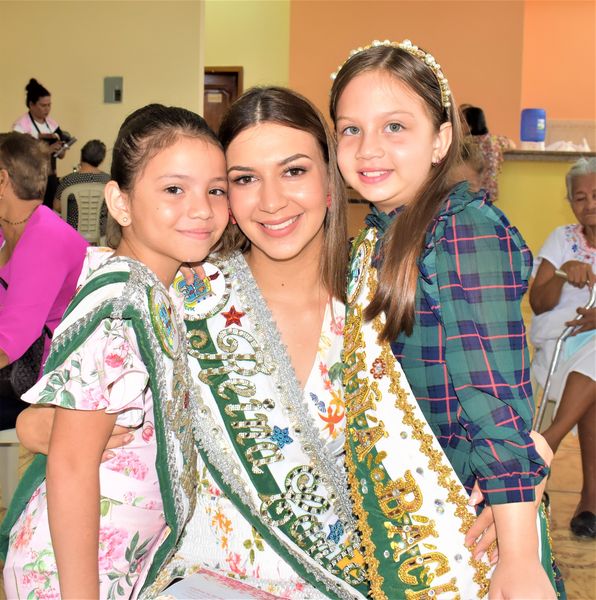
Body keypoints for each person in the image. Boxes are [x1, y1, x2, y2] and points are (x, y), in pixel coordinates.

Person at [329, 39, 563, 598]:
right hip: (407, 521)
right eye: (350, 129)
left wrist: (519, 558)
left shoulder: (462, 230)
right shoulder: (377, 235)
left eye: (395, 127)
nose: (368, 148)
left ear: (439, 140)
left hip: (466, 526)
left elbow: (494, 395)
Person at [0, 104, 229, 599]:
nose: (202, 209)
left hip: (124, 559)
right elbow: (72, 467)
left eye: (216, 190)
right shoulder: (120, 308)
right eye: (174, 189)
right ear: (120, 204)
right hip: (73, 573)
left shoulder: (153, 285)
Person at [0, 132, 88, 430]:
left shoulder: (45, 238)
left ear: (2, 181)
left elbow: (9, 343)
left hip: (50, 385)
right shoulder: (8, 230)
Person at [530, 157, 596, 538]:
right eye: (580, 197)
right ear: (570, 202)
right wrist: (561, 271)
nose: (589, 204)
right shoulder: (561, 239)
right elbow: (538, 303)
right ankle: (591, 502)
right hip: (558, 352)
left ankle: (546, 443)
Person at [12, 79, 73, 207]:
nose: (47, 109)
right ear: (31, 104)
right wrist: (47, 150)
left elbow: (61, 155)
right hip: (30, 179)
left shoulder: (52, 124)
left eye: (49, 105)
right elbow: (18, 156)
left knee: (49, 211)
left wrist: (61, 149)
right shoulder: (21, 126)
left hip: (50, 178)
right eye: (43, 105)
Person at [54, 139, 110, 235]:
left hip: (72, 233)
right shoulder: (109, 180)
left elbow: (57, 207)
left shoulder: (68, 180)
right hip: (100, 234)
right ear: (101, 159)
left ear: (82, 155)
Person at [461, 105, 515, 202]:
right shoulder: (494, 141)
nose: (458, 124)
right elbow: (512, 145)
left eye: (462, 121)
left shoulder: (465, 143)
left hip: (471, 192)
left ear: (470, 125)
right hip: (490, 193)